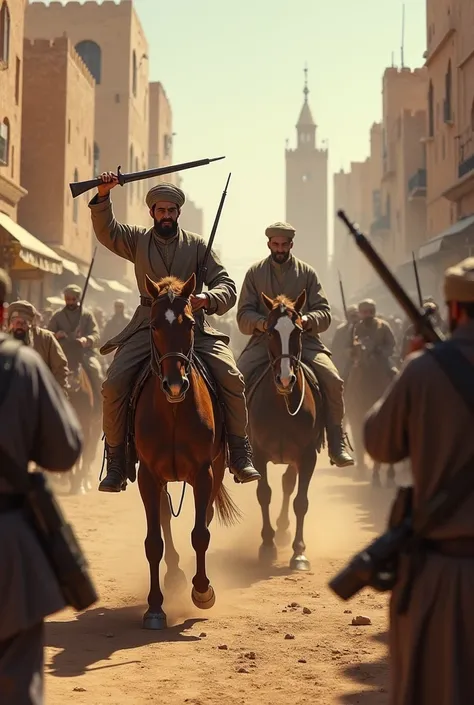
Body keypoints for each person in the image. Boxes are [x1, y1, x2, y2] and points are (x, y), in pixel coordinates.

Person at [89, 174, 260, 491]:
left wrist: (208, 298)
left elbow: (227, 285)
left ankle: (238, 451)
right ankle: (116, 460)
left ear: (178, 213)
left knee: (233, 378)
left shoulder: (198, 246)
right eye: (160, 210)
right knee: (113, 385)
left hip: (192, 325)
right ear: (152, 212)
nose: (166, 215)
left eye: (171, 210)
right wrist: (102, 196)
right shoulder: (137, 240)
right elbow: (106, 231)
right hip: (148, 325)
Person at [364, 257, 474, 705]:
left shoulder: (424, 369)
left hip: (444, 576)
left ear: (454, 310)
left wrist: (412, 368)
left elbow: (379, 443)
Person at [0, 270, 83, 705]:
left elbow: (65, 367)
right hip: (8, 545)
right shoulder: (21, 363)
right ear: (2, 313)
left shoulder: (44, 343)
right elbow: (65, 452)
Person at [237, 221, 354, 467]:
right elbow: (243, 316)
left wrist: (307, 320)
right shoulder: (254, 274)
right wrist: (264, 323)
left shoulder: (308, 274)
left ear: (291, 244)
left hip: (303, 341)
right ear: (268, 243)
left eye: (284, 244)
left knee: (333, 380)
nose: (280, 249)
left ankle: (336, 440)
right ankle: (238, 446)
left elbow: (324, 312)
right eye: (275, 244)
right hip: (265, 342)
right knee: (235, 380)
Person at [48, 285, 103, 407]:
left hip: (83, 353)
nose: (70, 302)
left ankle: (101, 406)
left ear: (78, 298)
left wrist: (86, 339)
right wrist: (56, 335)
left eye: (73, 299)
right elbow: (47, 334)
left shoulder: (87, 315)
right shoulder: (57, 316)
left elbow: (96, 335)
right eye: (68, 299)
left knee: (96, 371)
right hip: (62, 353)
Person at [7, 300, 69, 393]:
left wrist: (56, 393)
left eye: (23, 322)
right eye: (16, 321)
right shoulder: (4, 341)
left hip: (40, 394)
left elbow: (60, 368)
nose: (19, 325)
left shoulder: (46, 338)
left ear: (30, 323)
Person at [351, 299, 397, 373]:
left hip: (382, 361)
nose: (368, 314)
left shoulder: (383, 326)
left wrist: (380, 351)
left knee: (394, 374)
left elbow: (391, 344)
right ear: (360, 313)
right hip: (363, 362)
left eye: (371, 312)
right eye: (365, 312)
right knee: (350, 378)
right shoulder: (357, 327)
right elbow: (352, 344)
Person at [331, 304, 360, 378]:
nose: (354, 318)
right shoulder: (340, 330)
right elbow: (335, 348)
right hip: (346, 362)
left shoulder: (364, 327)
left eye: (356, 315)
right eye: (352, 316)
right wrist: (346, 351)